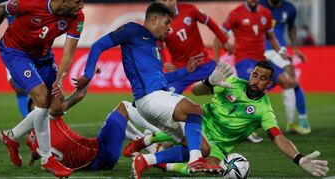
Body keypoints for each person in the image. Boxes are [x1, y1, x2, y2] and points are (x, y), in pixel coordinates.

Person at [73, 2, 230, 178]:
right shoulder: (132, 30)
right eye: (167, 22)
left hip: (156, 99)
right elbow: (97, 45)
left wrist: (187, 70)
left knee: (203, 148)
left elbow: (162, 79)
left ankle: (146, 160)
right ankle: (195, 160)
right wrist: (87, 74)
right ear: (154, 20)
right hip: (149, 98)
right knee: (195, 110)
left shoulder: (154, 47)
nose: (169, 28)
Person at [125, 61, 329, 177]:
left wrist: (299, 159)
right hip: (197, 122)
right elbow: (196, 92)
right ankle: (146, 142)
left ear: (269, 83)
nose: (256, 80)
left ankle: (154, 160)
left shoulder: (264, 111)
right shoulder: (231, 83)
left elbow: (278, 137)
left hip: (219, 147)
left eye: (263, 78)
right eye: (255, 75)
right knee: (195, 142)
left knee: (207, 169)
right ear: (251, 75)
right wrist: (208, 82)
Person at [0, 0, 85, 177]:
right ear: (64, 2)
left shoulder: (77, 17)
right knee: (41, 98)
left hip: (43, 56)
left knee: (56, 107)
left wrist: (59, 80)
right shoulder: (31, 1)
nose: (82, 6)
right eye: (78, 1)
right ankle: (47, 159)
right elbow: (1, 9)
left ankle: (11, 136)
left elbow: (69, 54)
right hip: (16, 51)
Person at [217, 0, 298, 140]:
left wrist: (281, 51)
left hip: (262, 59)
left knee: (288, 82)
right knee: (251, 90)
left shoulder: (265, 14)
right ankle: (242, 128)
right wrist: (220, 52)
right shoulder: (235, 13)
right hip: (244, 60)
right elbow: (219, 35)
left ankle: (291, 124)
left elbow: (271, 37)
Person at [260, 0, 311, 134]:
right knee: (254, 86)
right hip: (260, 50)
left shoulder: (290, 8)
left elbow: (292, 28)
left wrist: (295, 48)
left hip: (279, 51)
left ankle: (300, 119)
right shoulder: (259, 5)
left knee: (293, 81)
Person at [155, 0, 228, 94]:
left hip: (204, 63)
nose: (169, 3)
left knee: (226, 89)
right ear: (158, 2)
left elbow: (210, 23)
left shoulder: (190, 10)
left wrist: (224, 40)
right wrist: (165, 62)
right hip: (180, 69)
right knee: (166, 97)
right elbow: (159, 46)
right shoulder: (159, 24)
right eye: (164, 0)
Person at [5, 0, 35, 118]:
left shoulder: (42, 4)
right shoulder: (10, 6)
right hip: (14, 53)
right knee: (20, 89)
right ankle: (29, 125)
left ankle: (42, 124)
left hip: (37, 53)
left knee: (41, 92)